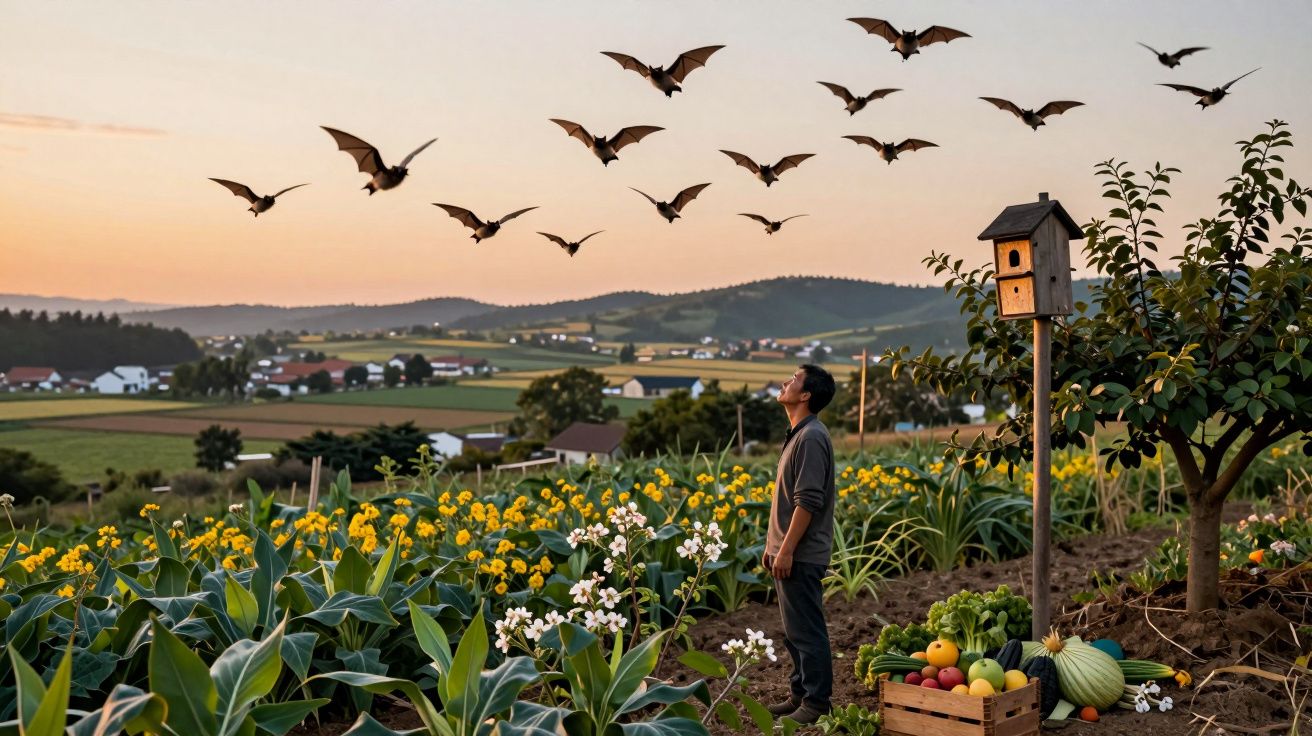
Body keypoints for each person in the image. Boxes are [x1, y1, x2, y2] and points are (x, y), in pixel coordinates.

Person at [763, 364, 837, 724]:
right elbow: (788, 501)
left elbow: (808, 501)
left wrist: (788, 549)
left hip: (802, 554)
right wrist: (773, 545)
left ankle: (817, 704)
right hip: (790, 551)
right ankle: (799, 694)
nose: (785, 382)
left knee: (807, 632)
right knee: (795, 632)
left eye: (793, 379)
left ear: (806, 395)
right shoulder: (799, 433)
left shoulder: (810, 438)